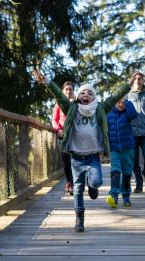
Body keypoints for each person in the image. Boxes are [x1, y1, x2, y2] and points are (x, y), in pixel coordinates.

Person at [33, 69, 132, 232]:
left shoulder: (100, 108)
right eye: (82, 92)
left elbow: (114, 97)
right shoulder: (71, 108)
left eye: (89, 93)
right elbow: (59, 95)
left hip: (93, 156)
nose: (85, 95)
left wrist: (128, 85)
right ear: (77, 97)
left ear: (94, 98)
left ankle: (92, 186)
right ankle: (79, 219)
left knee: (96, 181)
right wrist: (46, 81)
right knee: (78, 189)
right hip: (76, 158)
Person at [105, 97, 138, 208]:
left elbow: (134, 115)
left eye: (123, 102)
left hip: (128, 148)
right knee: (115, 171)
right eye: (118, 102)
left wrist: (127, 102)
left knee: (127, 173)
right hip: (114, 149)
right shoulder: (108, 115)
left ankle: (126, 195)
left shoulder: (127, 114)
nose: (121, 104)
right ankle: (113, 196)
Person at [52, 81, 75, 195]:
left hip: (76, 136)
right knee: (66, 162)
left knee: (75, 160)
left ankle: (76, 182)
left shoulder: (77, 103)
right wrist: (58, 130)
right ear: (63, 91)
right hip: (63, 135)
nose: (68, 91)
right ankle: (70, 183)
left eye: (70, 89)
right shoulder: (58, 103)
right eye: (66, 89)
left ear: (73, 91)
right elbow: (54, 120)